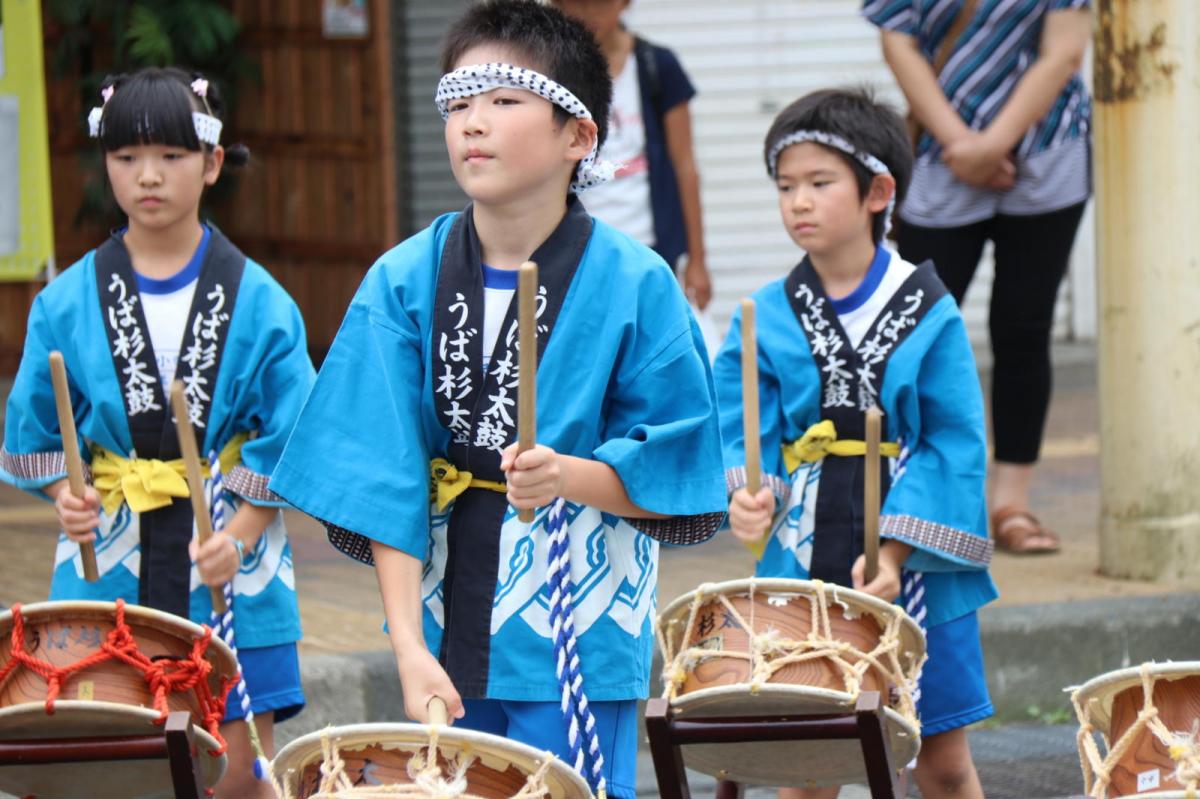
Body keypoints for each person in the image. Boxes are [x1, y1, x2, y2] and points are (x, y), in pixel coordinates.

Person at [268, 3, 727, 797]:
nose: (472, 122)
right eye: (458, 101)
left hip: (578, 622)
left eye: (504, 101)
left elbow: (678, 462)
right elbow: (381, 475)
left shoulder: (636, 282)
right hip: (447, 616)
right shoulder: (404, 279)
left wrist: (568, 476)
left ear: (578, 135)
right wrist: (409, 646)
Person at [0, 67, 314, 798]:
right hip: (109, 543)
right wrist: (62, 491)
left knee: (236, 770)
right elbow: (33, 428)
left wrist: (239, 530)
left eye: (171, 157)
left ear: (211, 163)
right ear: (103, 164)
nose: (148, 176)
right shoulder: (67, 299)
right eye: (125, 157)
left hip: (228, 542)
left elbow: (292, 430)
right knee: (101, 755)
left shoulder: (262, 300)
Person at [715, 88, 997, 799]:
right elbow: (743, 427)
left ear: (878, 192)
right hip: (805, 551)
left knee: (941, 759)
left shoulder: (929, 312)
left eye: (818, 183)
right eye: (785, 186)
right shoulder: (767, 316)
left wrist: (896, 551)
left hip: (916, 562)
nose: (797, 203)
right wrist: (750, 493)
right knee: (810, 762)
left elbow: (951, 440)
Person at [864, 0, 1093, 554]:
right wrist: (961, 145)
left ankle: (1011, 503)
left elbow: (1063, 50)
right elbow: (899, 39)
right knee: (910, 336)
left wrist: (991, 145)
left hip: (1046, 151)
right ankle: (909, 500)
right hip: (940, 158)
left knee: (1023, 328)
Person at [552, 0, 713, 313]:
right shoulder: (553, 71)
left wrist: (698, 259)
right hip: (580, 244)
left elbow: (685, 166)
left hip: (650, 242)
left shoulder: (657, 66)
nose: (587, 15)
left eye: (598, 5)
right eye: (574, 5)